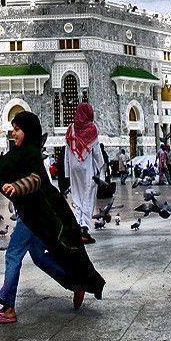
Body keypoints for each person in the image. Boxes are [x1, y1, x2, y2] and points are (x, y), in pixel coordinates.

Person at [0, 110, 104, 323]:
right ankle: (76, 283)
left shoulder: (32, 154)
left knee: (13, 254)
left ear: (28, 131)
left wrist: (17, 187)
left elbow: (35, 180)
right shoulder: (12, 157)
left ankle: (8, 309)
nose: (13, 134)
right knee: (39, 255)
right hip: (32, 216)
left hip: (38, 213)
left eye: (17, 130)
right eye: (13, 130)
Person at [63, 102, 104, 244]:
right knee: (88, 196)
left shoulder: (71, 128)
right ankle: (85, 229)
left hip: (74, 168)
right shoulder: (92, 128)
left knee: (77, 196)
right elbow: (96, 152)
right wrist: (101, 169)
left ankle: (78, 227)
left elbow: (67, 152)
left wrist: (67, 172)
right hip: (87, 168)